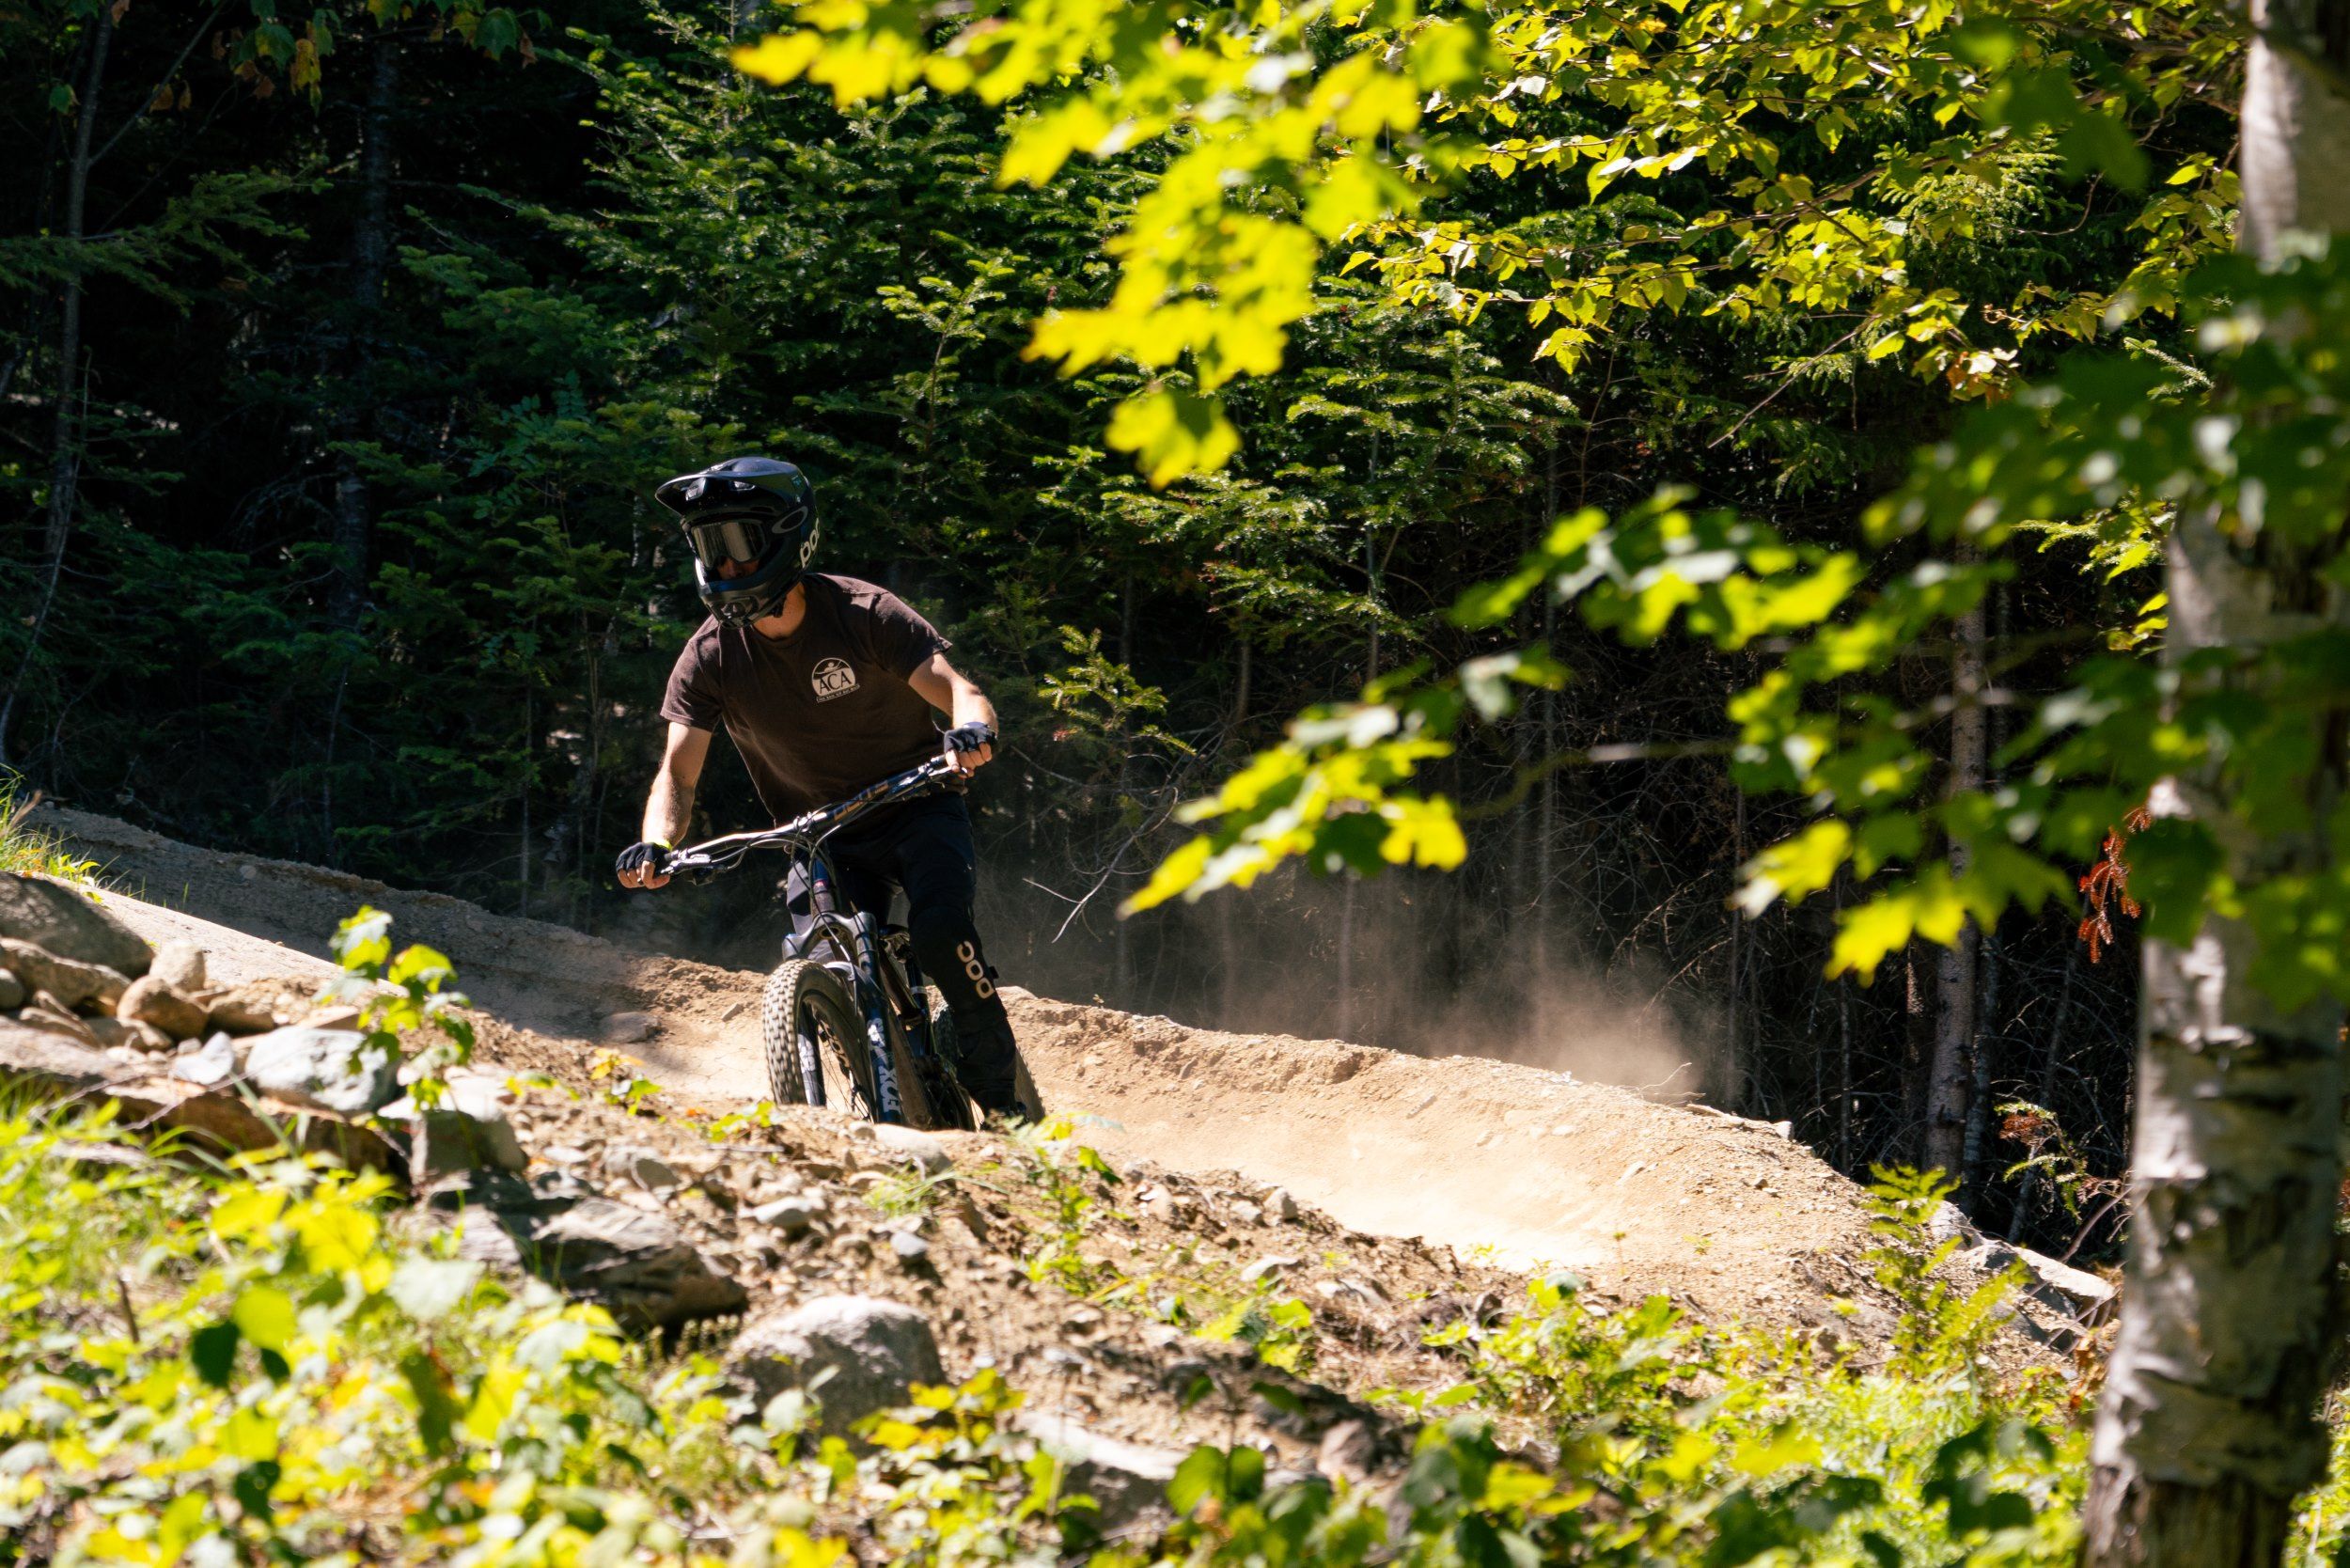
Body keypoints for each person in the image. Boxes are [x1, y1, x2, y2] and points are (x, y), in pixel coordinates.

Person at [613, 456, 1026, 1120]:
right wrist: (656, 843)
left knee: (941, 931)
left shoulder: (863, 612)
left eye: (739, 543)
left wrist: (971, 732)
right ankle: (876, 1087)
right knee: (825, 958)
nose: (724, 564)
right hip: (820, 836)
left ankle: (1008, 1110)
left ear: (789, 538)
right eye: (710, 547)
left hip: (916, 805)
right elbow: (678, 774)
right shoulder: (709, 656)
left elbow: (960, 692)